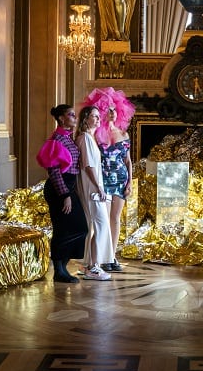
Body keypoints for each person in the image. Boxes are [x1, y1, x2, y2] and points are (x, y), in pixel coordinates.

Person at [82, 87, 135, 272]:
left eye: (114, 109)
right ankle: (100, 258)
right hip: (103, 181)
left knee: (115, 218)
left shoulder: (124, 133)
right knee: (102, 221)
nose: (112, 113)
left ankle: (112, 256)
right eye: (108, 110)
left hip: (120, 179)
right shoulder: (96, 134)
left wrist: (130, 181)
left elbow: (128, 161)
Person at [36, 104, 88, 283]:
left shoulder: (68, 137)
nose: (75, 118)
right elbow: (54, 171)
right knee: (64, 229)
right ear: (61, 119)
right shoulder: (56, 140)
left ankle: (62, 266)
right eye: (71, 115)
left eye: (74, 115)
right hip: (60, 189)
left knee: (79, 227)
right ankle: (59, 270)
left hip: (68, 187)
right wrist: (65, 195)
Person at [75, 105, 115, 281]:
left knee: (97, 226)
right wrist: (99, 187)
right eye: (94, 116)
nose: (99, 119)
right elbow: (88, 166)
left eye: (99, 116)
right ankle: (94, 267)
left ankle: (91, 264)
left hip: (94, 186)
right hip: (92, 188)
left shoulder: (90, 137)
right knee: (100, 225)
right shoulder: (84, 138)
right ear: (85, 119)